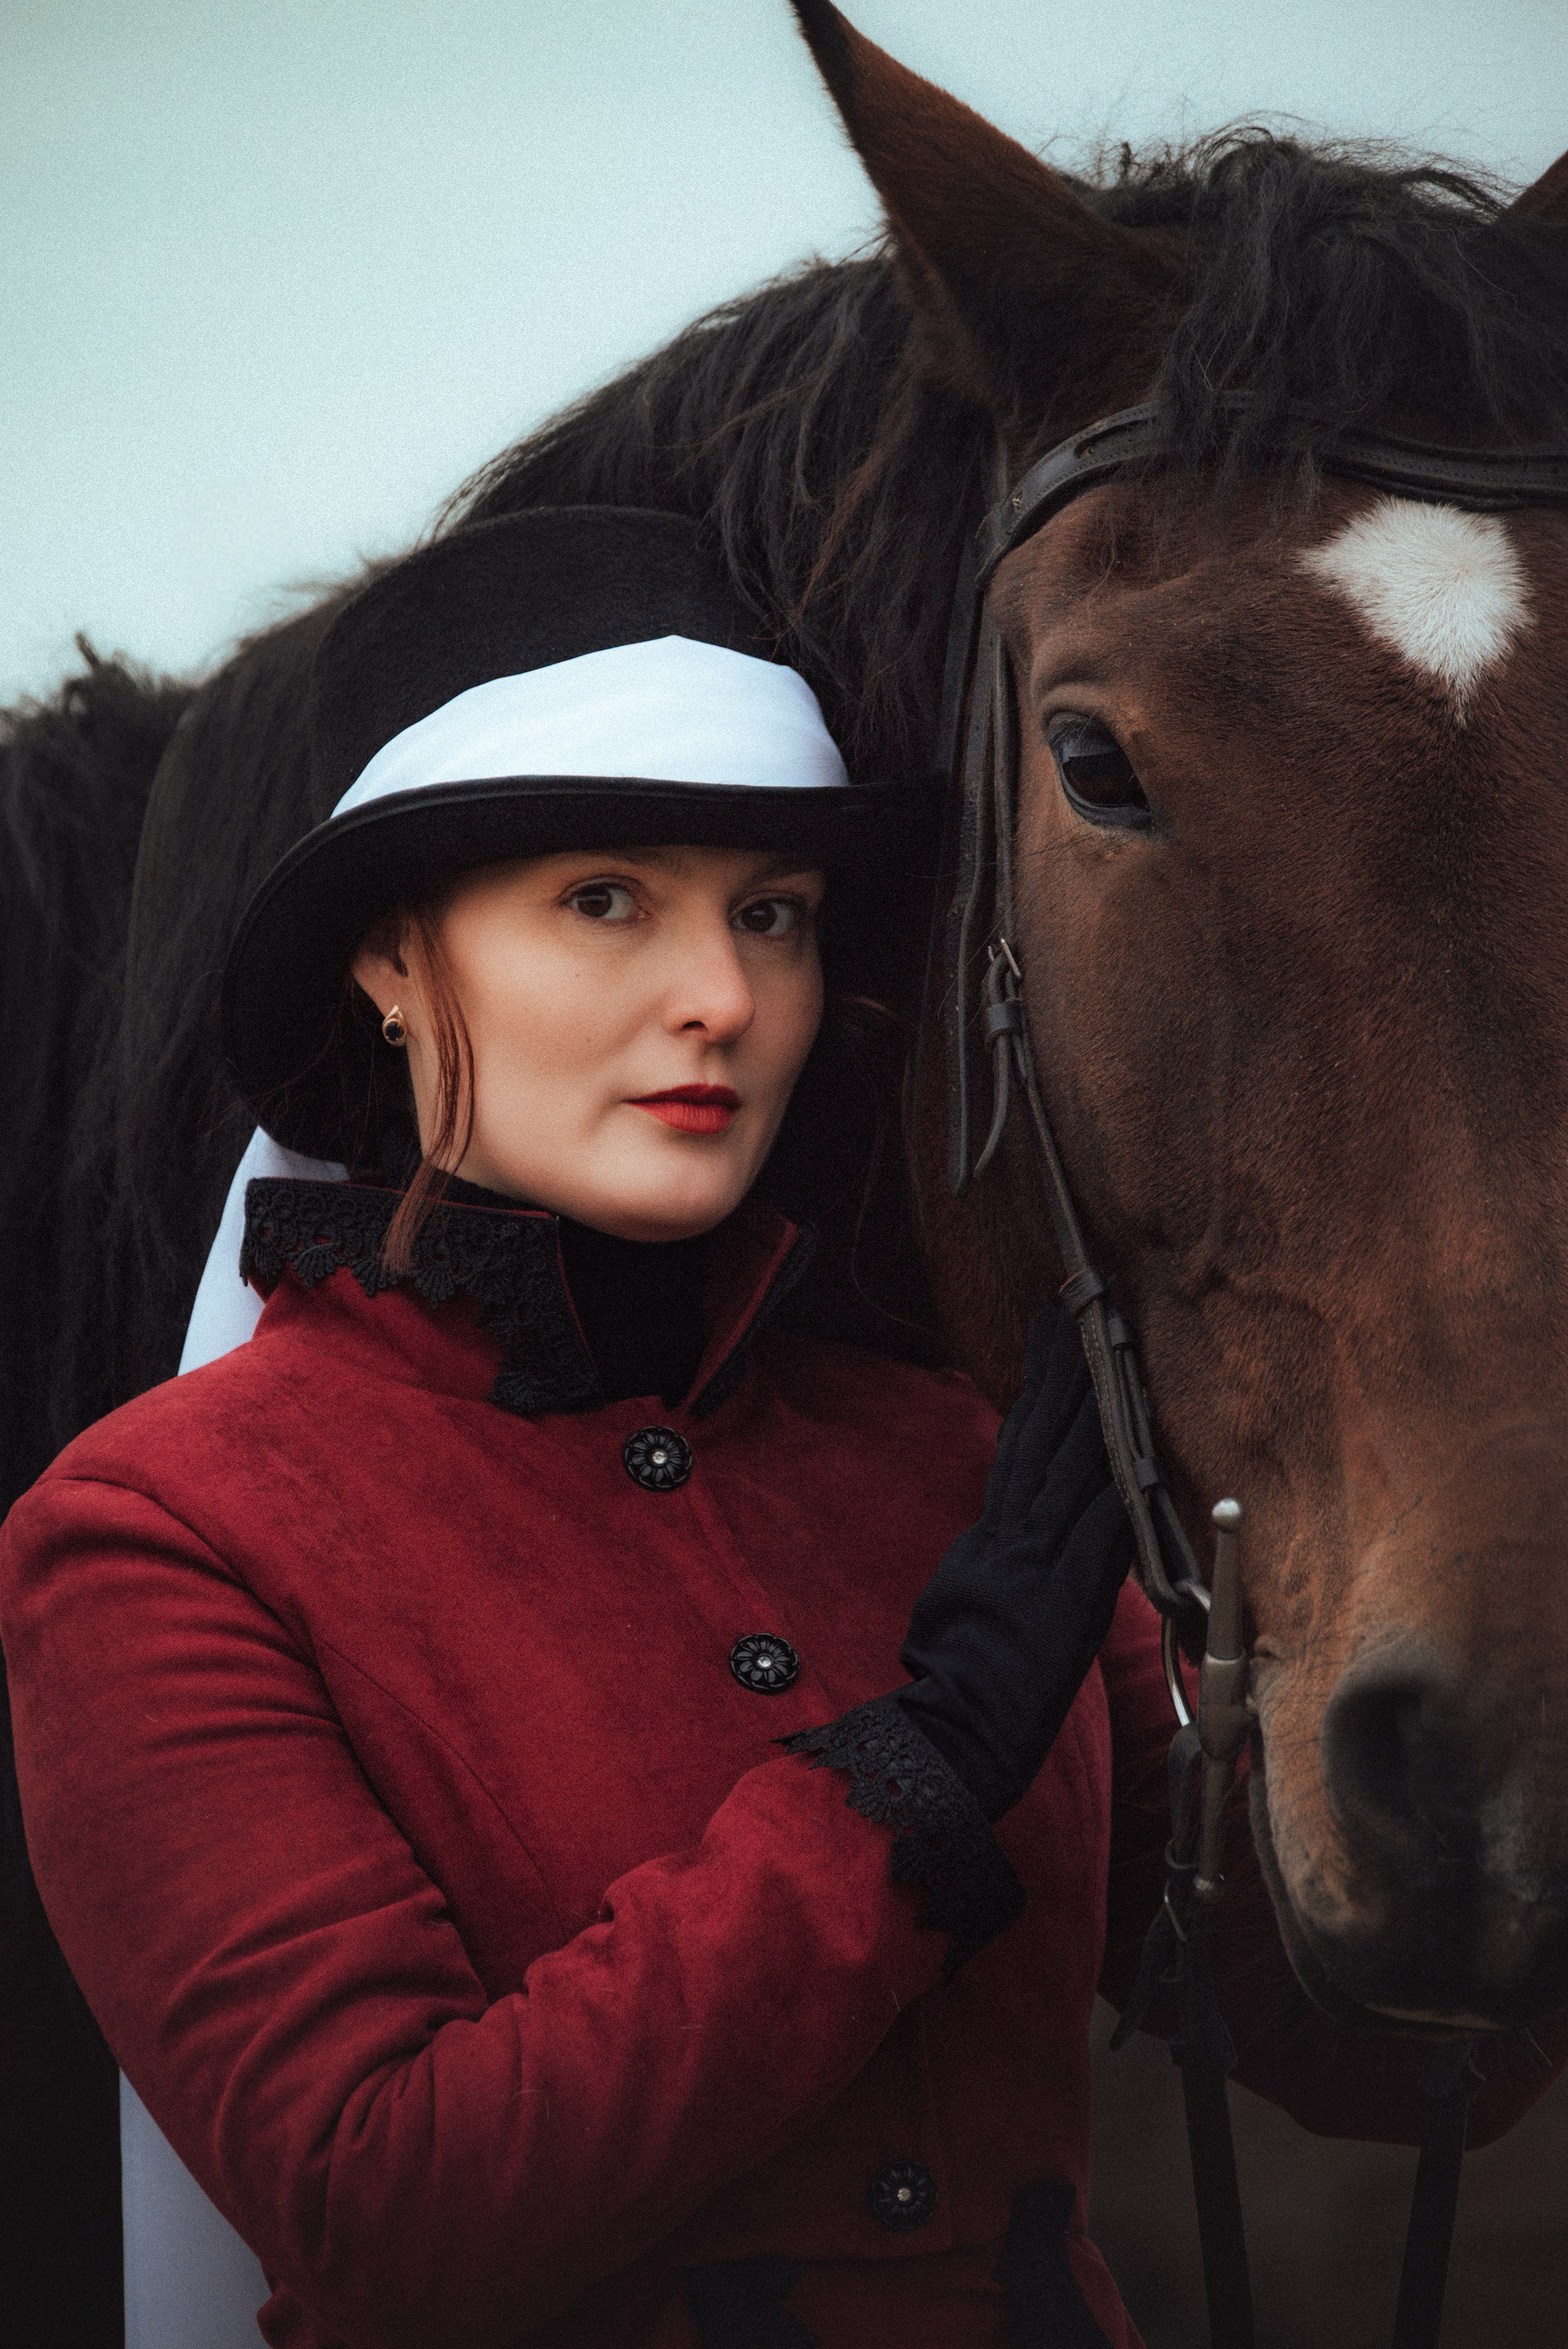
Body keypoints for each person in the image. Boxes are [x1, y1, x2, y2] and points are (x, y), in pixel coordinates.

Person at [0, 506, 1490, 2349]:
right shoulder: (156, 1534)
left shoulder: (948, 1460)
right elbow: (385, 2218)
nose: (722, 998)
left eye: (770, 913)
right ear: (388, 958)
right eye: (604, 899)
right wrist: (917, 1771)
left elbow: (1364, 2045)